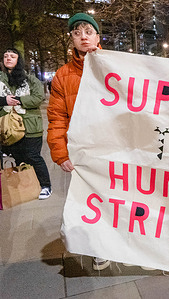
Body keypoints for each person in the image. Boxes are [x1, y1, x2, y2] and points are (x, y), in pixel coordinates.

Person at [46, 12, 111, 271]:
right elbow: (57, 117)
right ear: (71, 39)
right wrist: (60, 153)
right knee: (91, 200)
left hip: (115, 147)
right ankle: (99, 248)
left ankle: (133, 245)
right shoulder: (63, 75)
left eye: (88, 31)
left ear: (97, 35)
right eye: (77, 33)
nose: (83, 37)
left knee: (122, 197)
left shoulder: (116, 65)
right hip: (83, 150)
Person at [0, 48, 52, 199]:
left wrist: (19, 100)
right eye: (5, 56)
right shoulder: (1, 79)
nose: (8, 58)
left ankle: (45, 185)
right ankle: (25, 186)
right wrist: (5, 100)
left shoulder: (30, 79)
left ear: (19, 60)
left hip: (30, 126)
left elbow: (38, 97)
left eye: (12, 56)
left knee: (33, 156)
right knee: (18, 157)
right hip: (8, 127)